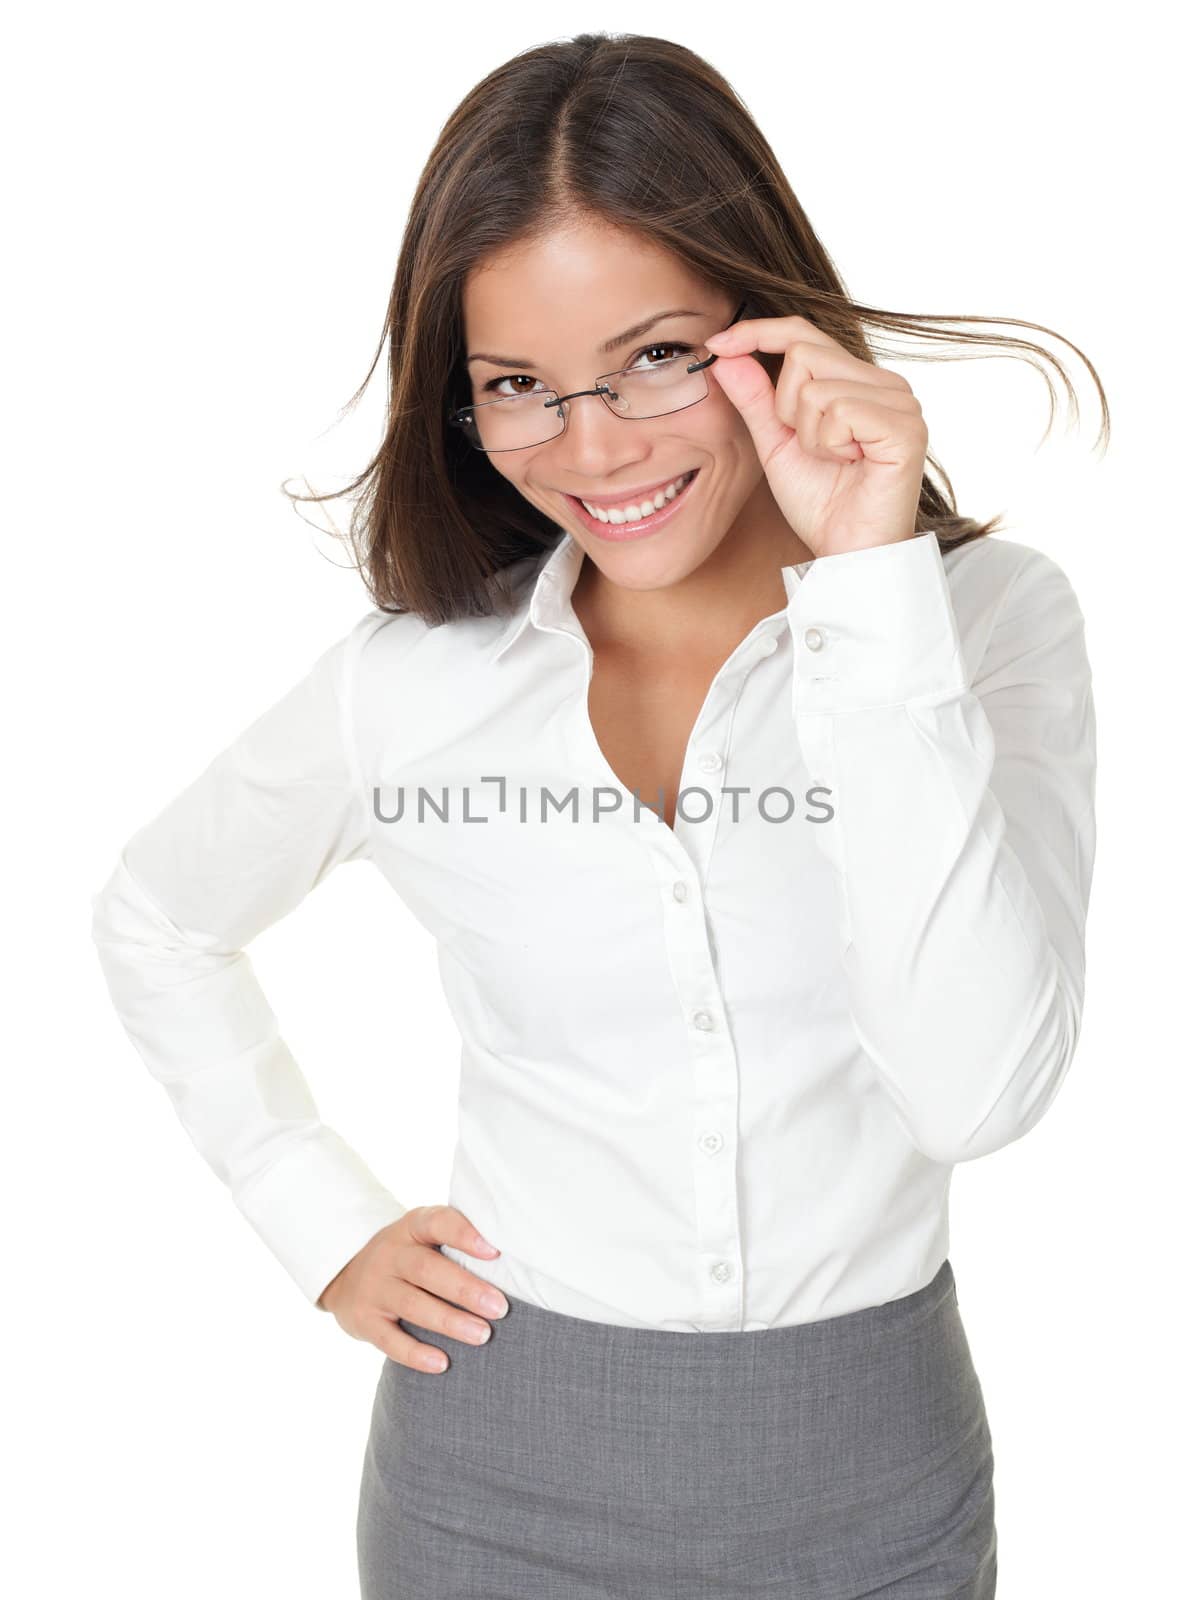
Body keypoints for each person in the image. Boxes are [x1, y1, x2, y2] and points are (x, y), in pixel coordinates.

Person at [90, 30, 1103, 1600]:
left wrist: (871, 590)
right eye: (518, 389)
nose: (593, 449)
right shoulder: (417, 684)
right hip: (492, 1472)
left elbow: (975, 1089)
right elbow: (158, 914)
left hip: (874, 1474)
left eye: (652, 358)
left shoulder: (981, 627)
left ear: (770, 327)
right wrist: (317, 1216)